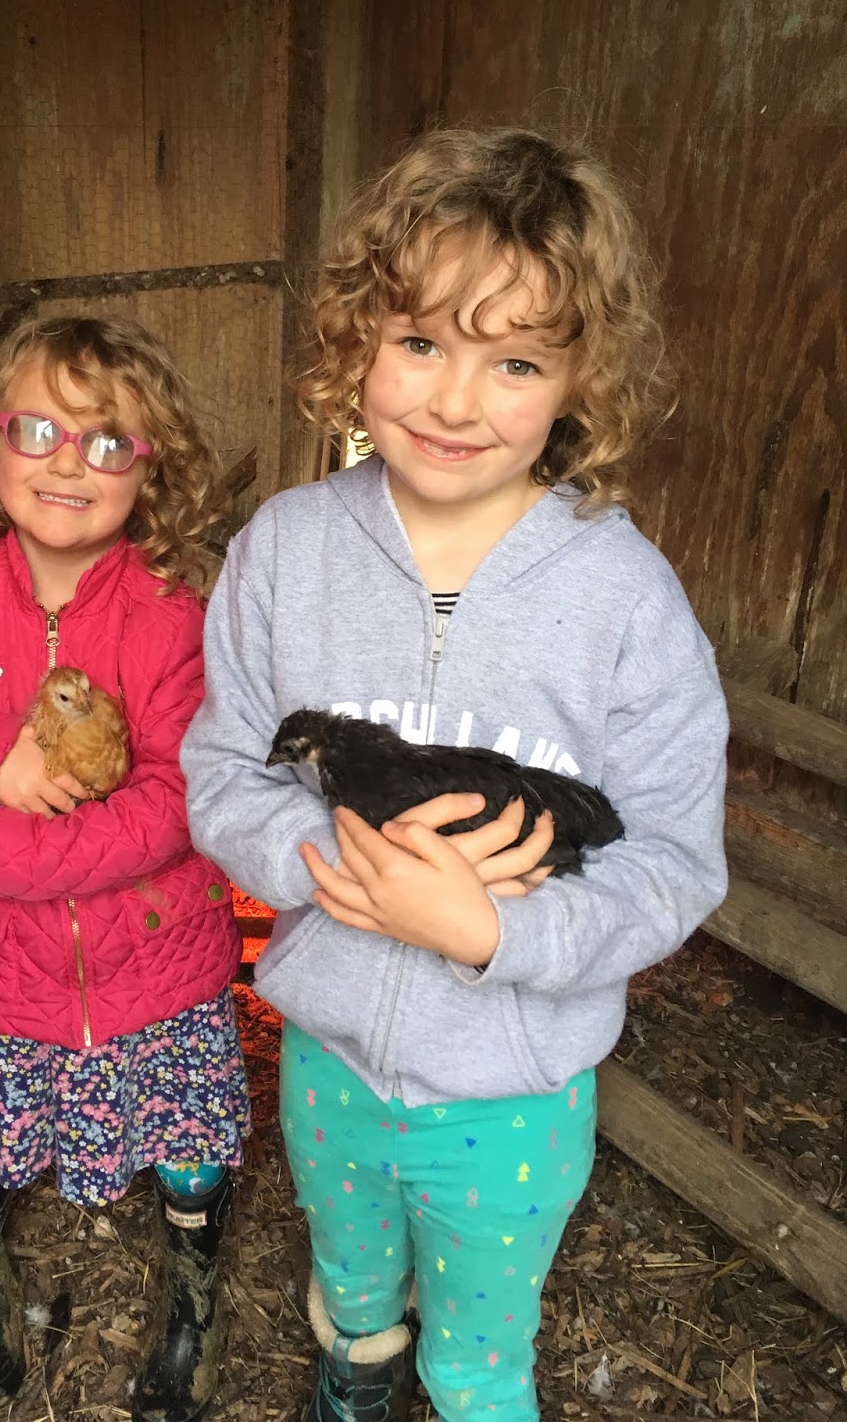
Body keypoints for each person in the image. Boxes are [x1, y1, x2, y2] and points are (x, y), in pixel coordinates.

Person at [180, 128, 728, 1422]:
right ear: (357, 339)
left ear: (580, 379)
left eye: (516, 361)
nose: (456, 401)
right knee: (352, 1280)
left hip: (514, 1091)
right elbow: (221, 768)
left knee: (481, 1353)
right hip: (328, 1058)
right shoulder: (285, 551)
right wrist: (335, 867)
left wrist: (492, 933)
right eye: (421, 341)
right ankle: (354, 1368)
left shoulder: (624, 599)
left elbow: (671, 860)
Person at [0, 315, 250, 1422]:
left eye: (107, 441)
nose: (70, 462)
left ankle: (193, 1307)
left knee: (189, 1138)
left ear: (150, 472)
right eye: (39, 430)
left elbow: (178, 797)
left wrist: (15, 848)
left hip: (157, 955)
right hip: (4, 965)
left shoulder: (174, 616)